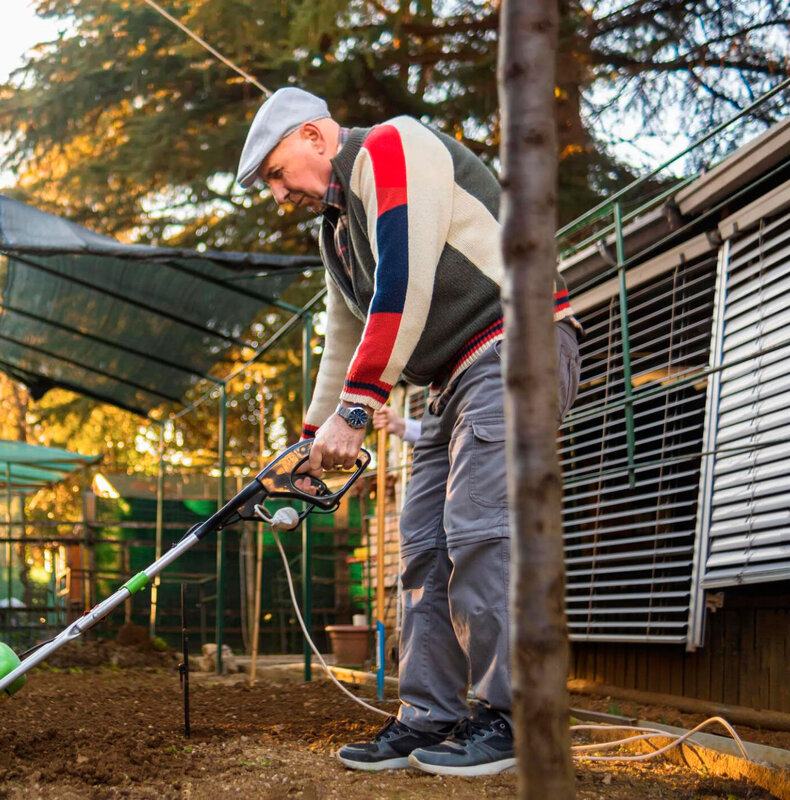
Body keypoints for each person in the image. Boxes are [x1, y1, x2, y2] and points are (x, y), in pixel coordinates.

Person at [236, 87, 580, 777]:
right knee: (421, 545)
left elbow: (404, 286)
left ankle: (516, 716)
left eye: (275, 175)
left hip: (515, 347)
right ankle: (433, 713)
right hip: (452, 377)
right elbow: (344, 338)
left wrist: (358, 409)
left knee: (480, 528)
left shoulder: (391, 148)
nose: (278, 195)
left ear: (312, 136)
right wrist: (311, 440)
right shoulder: (335, 229)